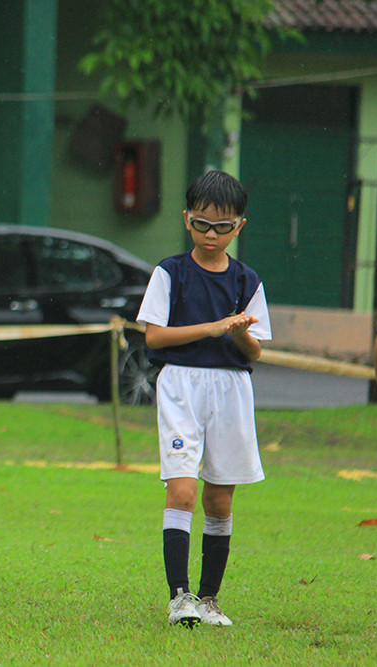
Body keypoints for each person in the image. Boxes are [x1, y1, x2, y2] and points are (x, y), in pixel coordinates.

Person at [136, 170, 272, 628]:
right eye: (201, 224)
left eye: (223, 226)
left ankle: (210, 599)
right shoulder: (170, 272)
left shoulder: (247, 281)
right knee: (182, 490)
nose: (211, 235)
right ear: (186, 219)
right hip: (181, 385)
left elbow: (255, 351)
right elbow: (154, 336)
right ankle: (180, 598)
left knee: (219, 500)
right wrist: (213, 327)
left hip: (231, 388)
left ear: (240, 226)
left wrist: (238, 334)